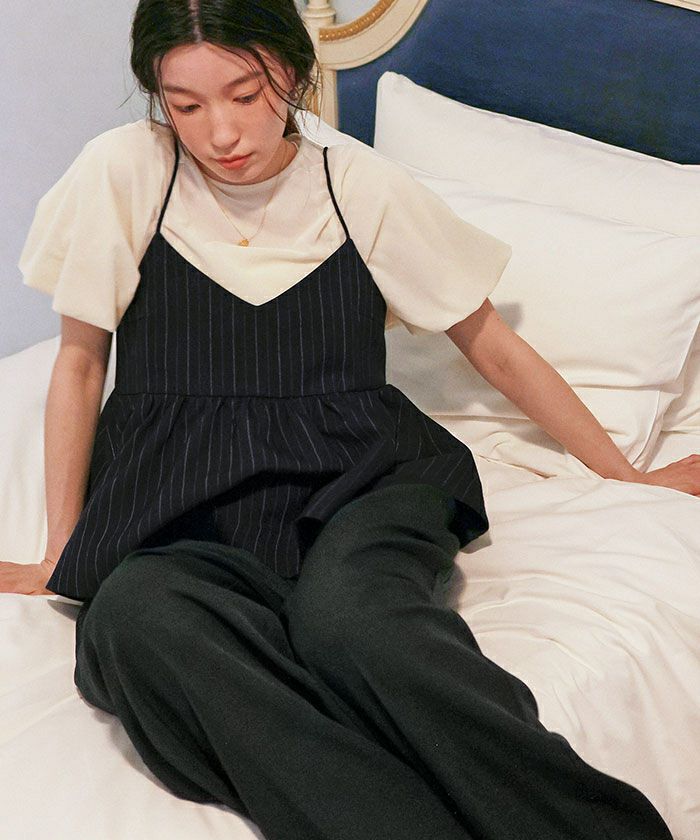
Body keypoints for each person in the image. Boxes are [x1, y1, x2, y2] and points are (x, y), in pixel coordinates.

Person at [2, 0, 694, 837]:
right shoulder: (124, 172)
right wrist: (62, 552)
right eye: (186, 105)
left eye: (246, 94)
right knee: (133, 619)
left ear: (293, 71)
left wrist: (628, 476)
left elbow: (492, 347)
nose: (221, 132)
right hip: (184, 497)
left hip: (361, 480)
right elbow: (81, 365)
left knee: (355, 625)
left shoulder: (357, 183)